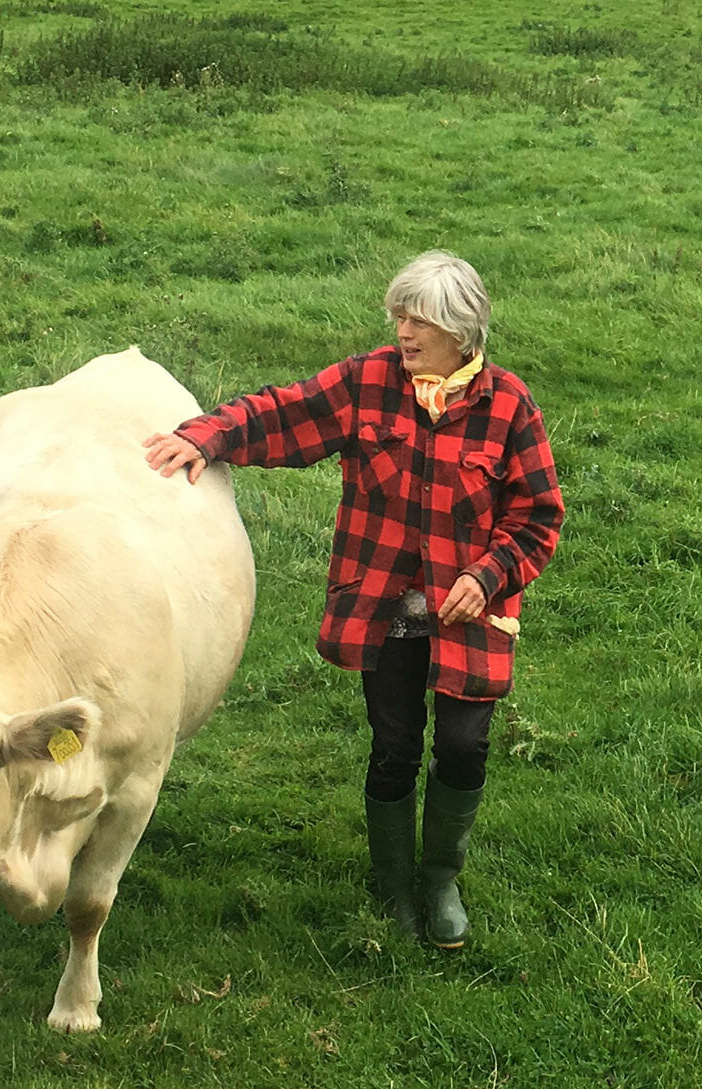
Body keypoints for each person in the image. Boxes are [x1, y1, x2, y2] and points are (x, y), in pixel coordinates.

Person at [142, 251, 563, 949]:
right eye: (399, 313)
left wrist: (487, 575)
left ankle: (441, 878)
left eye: (418, 318)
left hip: (470, 614)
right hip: (387, 609)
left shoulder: (509, 406)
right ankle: (394, 881)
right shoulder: (368, 382)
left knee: (464, 745)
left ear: (460, 328)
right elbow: (285, 414)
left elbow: (539, 516)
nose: (402, 330)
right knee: (394, 744)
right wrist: (205, 434)